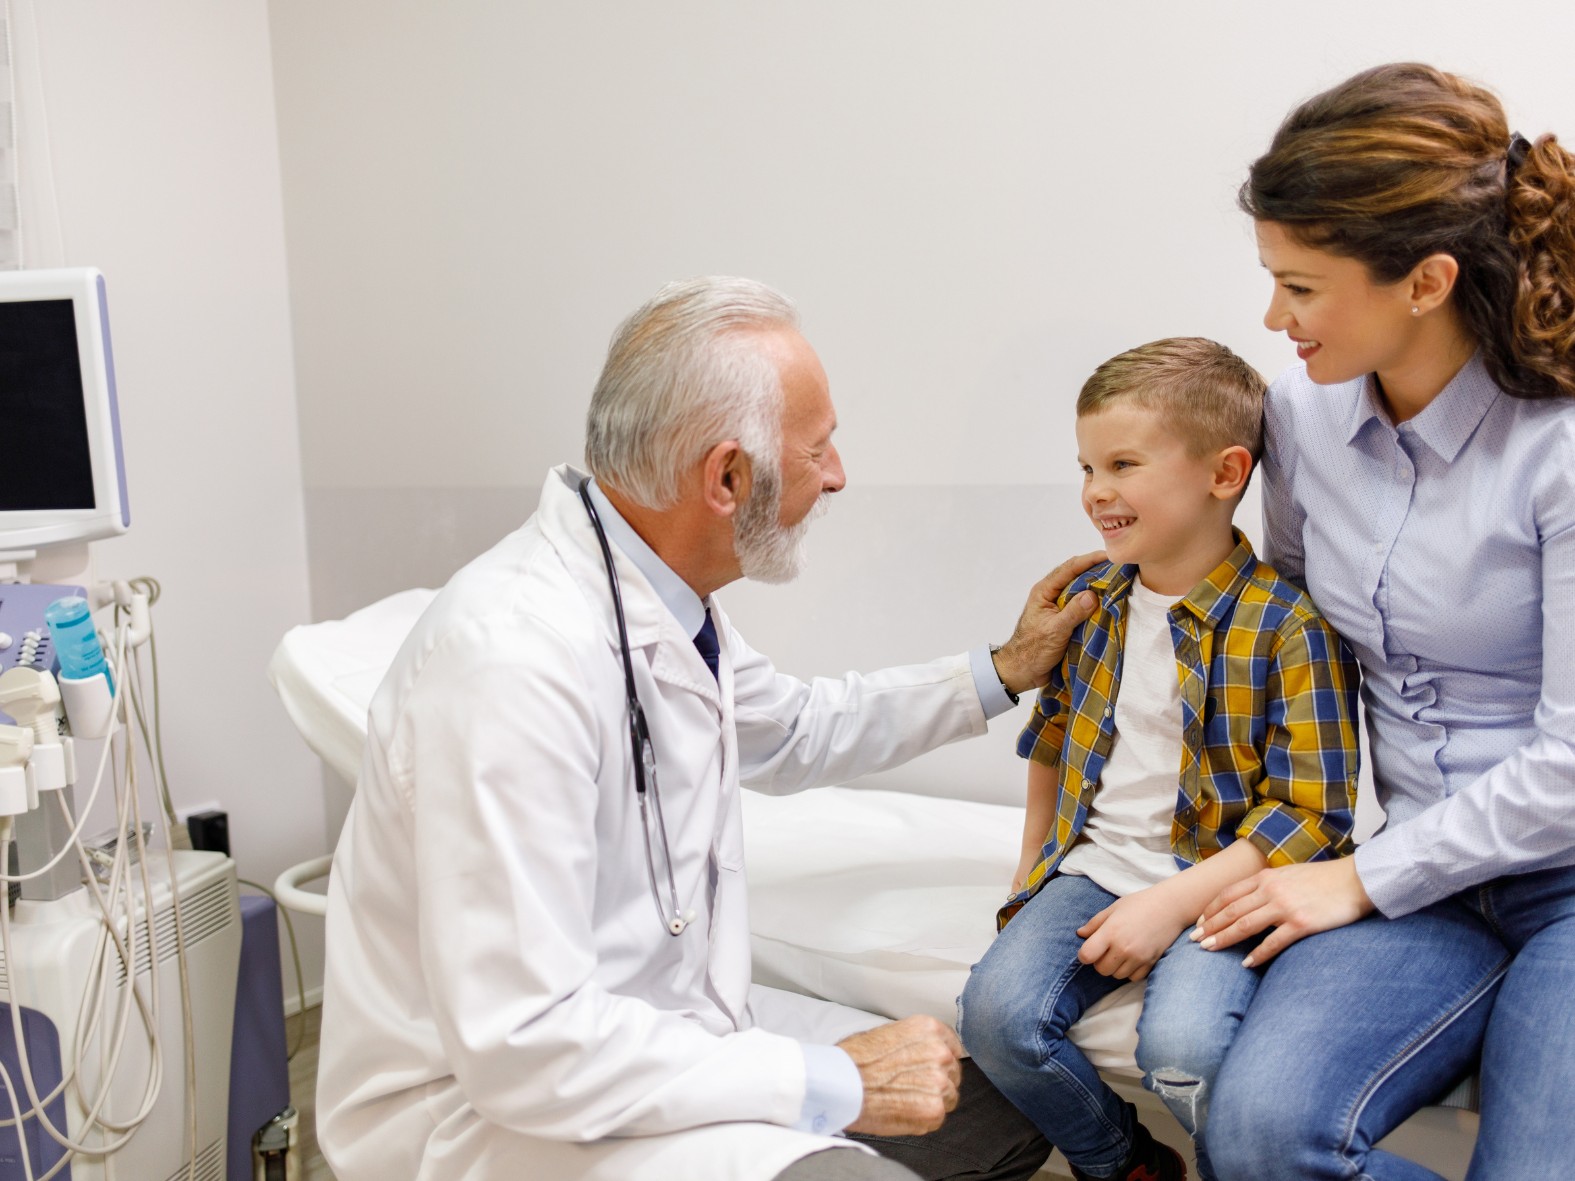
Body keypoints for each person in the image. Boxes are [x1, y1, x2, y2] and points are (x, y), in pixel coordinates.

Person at [315, 276, 1101, 1181]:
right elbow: (526, 1045)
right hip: (497, 1116)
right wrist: (834, 1077)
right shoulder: (511, 665)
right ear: (727, 477)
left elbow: (794, 729)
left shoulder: (654, 594)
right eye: (819, 447)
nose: (838, 474)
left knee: (995, 1116)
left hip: (664, 1036)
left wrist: (1001, 670)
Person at [1192, 63, 1575, 1181]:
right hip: (1425, 875)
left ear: (1427, 280)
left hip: (1560, 877)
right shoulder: (1301, 425)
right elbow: (1300, 642)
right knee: (1257, 1138)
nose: (1275, 318)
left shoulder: (1558, 447)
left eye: (1303, 287)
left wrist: (1359, 880)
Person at [958, 338, 1361, 1181]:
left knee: (1183, 1049)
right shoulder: (1091, 604)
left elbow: (1312, 814)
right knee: (993, 1017)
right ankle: (1125, 1165)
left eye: (1123, 463)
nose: (1096, 491)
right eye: (1086, 466)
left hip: (1222, 879)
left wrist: (1168, 906)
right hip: (1095, 867)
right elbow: (1054, 740)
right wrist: (1032, 865)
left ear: (1223, 474)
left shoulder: (1289, 628)